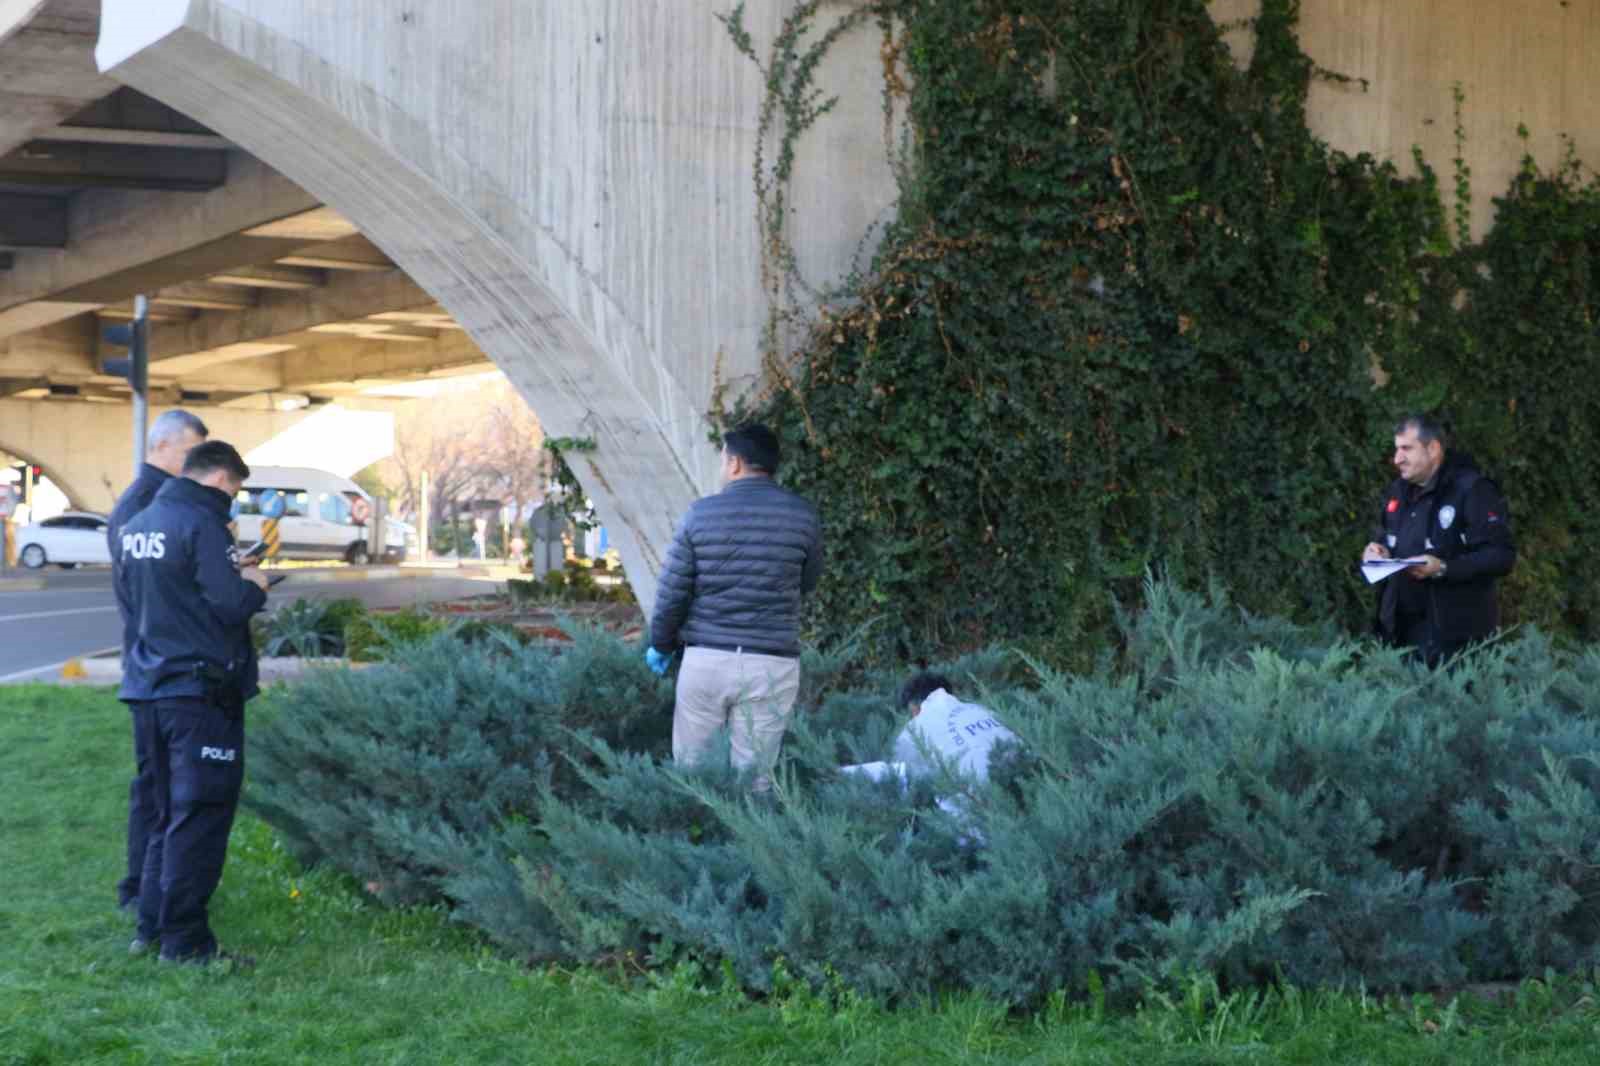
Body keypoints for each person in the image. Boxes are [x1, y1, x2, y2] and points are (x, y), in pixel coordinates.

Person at [117, 441, 270, 963]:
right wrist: (255, 583)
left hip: (148, 687)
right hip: (200, 693)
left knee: (164, 816)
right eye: (234, 490)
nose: (232, 500)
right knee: (200, 816)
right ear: (221, 480)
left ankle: (152, 929)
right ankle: (186, 944)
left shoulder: (138, 525)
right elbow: (228, 607)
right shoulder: (203, 521)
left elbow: (140, 602)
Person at [647, 423, 823, 791]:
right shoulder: (803, 515)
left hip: (707, 660)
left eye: (724, 459)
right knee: (756, 781)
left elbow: (672, 592)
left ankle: (695, 843)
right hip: (772, 664)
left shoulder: (701, 514)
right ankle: (749, 847)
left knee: (695, 777)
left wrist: (661, 645)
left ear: (737, 464)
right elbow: (807, 582)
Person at [107, 410, 209, 915]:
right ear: (162, 447)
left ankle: (153, 890)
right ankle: (139, 891)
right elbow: (146, 596)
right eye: (191, 454)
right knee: (154, 788)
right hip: (156, 668)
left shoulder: (154, 503)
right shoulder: (143, 507)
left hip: (153, 665)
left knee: (161, 785)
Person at [1361, 414, 1516, 664]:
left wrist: (1443, 567)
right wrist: (1377, 552)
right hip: (1398, 632)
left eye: (1406, 449)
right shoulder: (1398, 491)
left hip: (1452, 640)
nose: (1397, 458)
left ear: (1433, 449)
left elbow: (1501, 556)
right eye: (1396, 449)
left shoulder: (1472, 490)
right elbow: (1385, 537)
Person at [892, 672, 1020, 784]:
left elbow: (897, 777)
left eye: (912, 713)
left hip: (976, 803)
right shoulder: (982, 710)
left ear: (915, 707)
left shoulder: (914, 730)